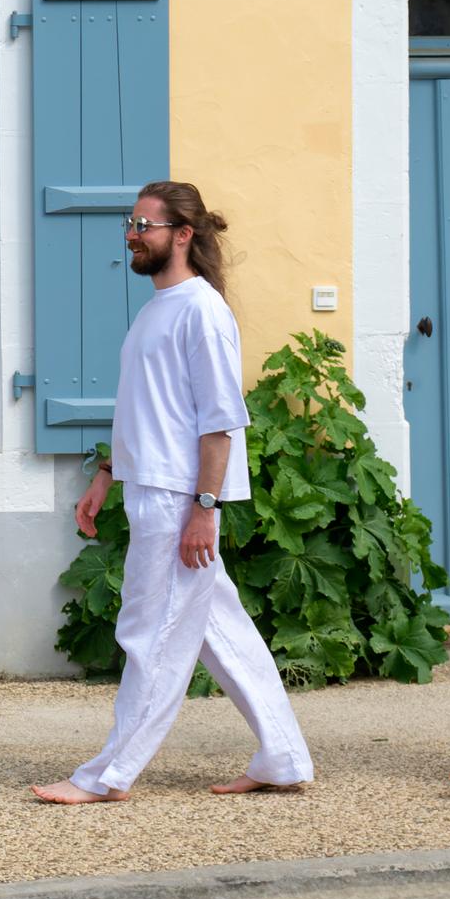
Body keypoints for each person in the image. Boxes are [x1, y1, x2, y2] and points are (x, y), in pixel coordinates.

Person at [32, 185, 316, 805]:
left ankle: (107, 775)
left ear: (182, 234)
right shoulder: (157, 309)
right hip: (151, 487)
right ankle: (284, 758)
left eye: (145, 224)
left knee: (151, 633)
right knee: (224, 632)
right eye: (130, 223)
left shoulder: (202, 311)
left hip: (178, 499)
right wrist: (107, 473)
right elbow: (149, 408)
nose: (132, 234)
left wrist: (203, 510)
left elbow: (219, 422)